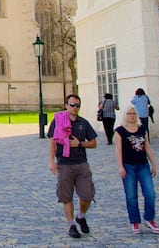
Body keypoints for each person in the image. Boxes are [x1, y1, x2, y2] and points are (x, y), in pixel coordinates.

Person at [47, 94, 99, 239]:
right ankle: (71, 225)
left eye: (77, 105)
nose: (75, 108)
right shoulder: (58, 121)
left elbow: (94, 143)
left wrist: (80, 144)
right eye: (72, 105)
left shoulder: (83, 123)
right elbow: (52, 142)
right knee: (66, 196)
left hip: (81, 163)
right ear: (66, 105)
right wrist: (52, 162)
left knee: (87, 195)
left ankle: (81, 216)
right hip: (64, 163)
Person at [115, 105, 159, 234]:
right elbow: (118, 151)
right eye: (129, 113)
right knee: (131, 196)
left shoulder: (142, 129)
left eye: (134, 113)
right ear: (125, 115)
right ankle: (134, 221)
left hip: (143, 165)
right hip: (128, 166)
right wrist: (120, 167)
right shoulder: (120, 131)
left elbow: (147, 147)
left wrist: (154, 164)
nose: (132, 116)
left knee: (150, 193)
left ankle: (149, 218)